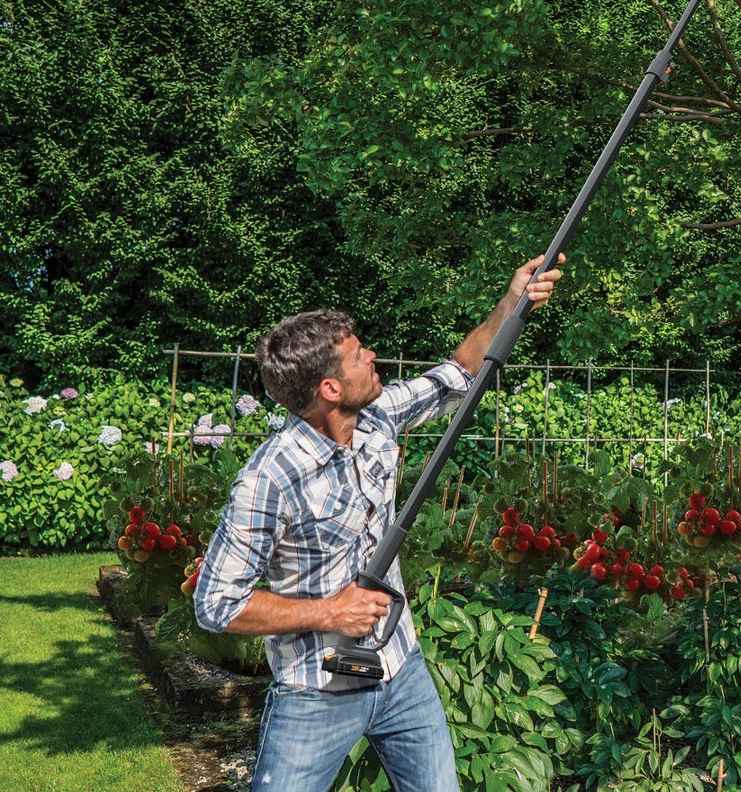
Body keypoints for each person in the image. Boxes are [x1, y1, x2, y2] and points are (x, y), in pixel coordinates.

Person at [193, 254, 564, 792]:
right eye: (357, 354)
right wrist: (330, 611)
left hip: (401, 670)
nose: (372, 355)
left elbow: (459, 373)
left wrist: (512, 301)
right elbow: (216, 603)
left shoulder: (376, 418)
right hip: (316, 691)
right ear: (330, 389)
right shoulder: (270, 479)